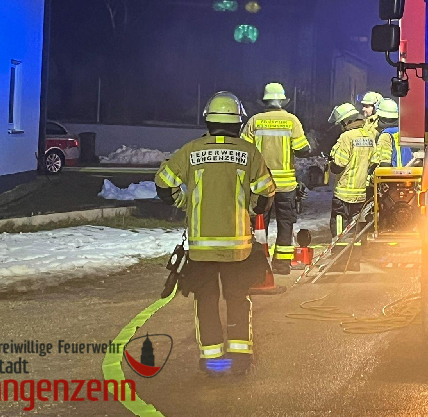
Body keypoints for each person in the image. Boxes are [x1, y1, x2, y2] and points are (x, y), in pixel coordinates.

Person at [154, 92, 276, 376]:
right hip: (238, 248)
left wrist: (185, 203)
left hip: (201, 249)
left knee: (206, 301)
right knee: (238, 299)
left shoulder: (191, 150)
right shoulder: (249, 152)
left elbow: (163, 184)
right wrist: (248, 207)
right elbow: (265, 194)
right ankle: (240, 357)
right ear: (237, 122)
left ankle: (212, 359)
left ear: (208, 121)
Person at [241, 83, 311, 275]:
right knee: (285, 224)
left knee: (259, 225)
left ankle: (258, 265)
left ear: (265, 101)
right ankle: (281, 264)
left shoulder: (255, 121)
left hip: (260, 185)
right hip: (285, 186)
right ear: (282, 101)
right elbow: (303, 150)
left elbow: (243, 151)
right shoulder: (291, 121)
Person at [328, 103, 375, 238]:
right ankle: (357, 248)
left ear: (346, 121)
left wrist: (330, 163)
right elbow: (373, 162)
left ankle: (339, 247)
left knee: (339, 221)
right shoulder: (369, 136)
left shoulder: (346, 137)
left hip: (343, 192)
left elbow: (338, 165)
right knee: (357, 223)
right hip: (361, 192)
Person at [370, 98, 413, 168]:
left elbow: (384, 163)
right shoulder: (402, 132)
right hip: (408, 172)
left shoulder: (386, 135)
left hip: (393, 173)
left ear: (380, 118)